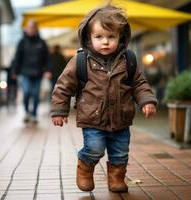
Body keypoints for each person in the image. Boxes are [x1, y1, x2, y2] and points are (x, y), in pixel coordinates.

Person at [51, 5, 157, 193]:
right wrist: (59, 110)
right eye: (99, 37)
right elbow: (63, 86)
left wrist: (147, 100)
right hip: (93, 118)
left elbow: (138, 83)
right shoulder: (81, 60)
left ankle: (116, 178)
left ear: (120, 37)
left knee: (120, 152)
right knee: (94, 148)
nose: (105, 42)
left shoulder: (128, 60)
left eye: (111, 37)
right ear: (88, 37)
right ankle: (84, 167)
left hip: (121, 119)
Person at [12, 19, 51, 124]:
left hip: (38, 73)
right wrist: (14, 72)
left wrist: (47, 70)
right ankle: (26, 112)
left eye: (32, 27)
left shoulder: (41, 42)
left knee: (36, 94)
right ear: (26, 28)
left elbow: (47, 58)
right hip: (25, 73)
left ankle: (34, 114)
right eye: (29, 27)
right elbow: (17, 58)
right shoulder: (22, 42)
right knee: (26, 92)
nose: (30, 29)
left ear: (36, 29)